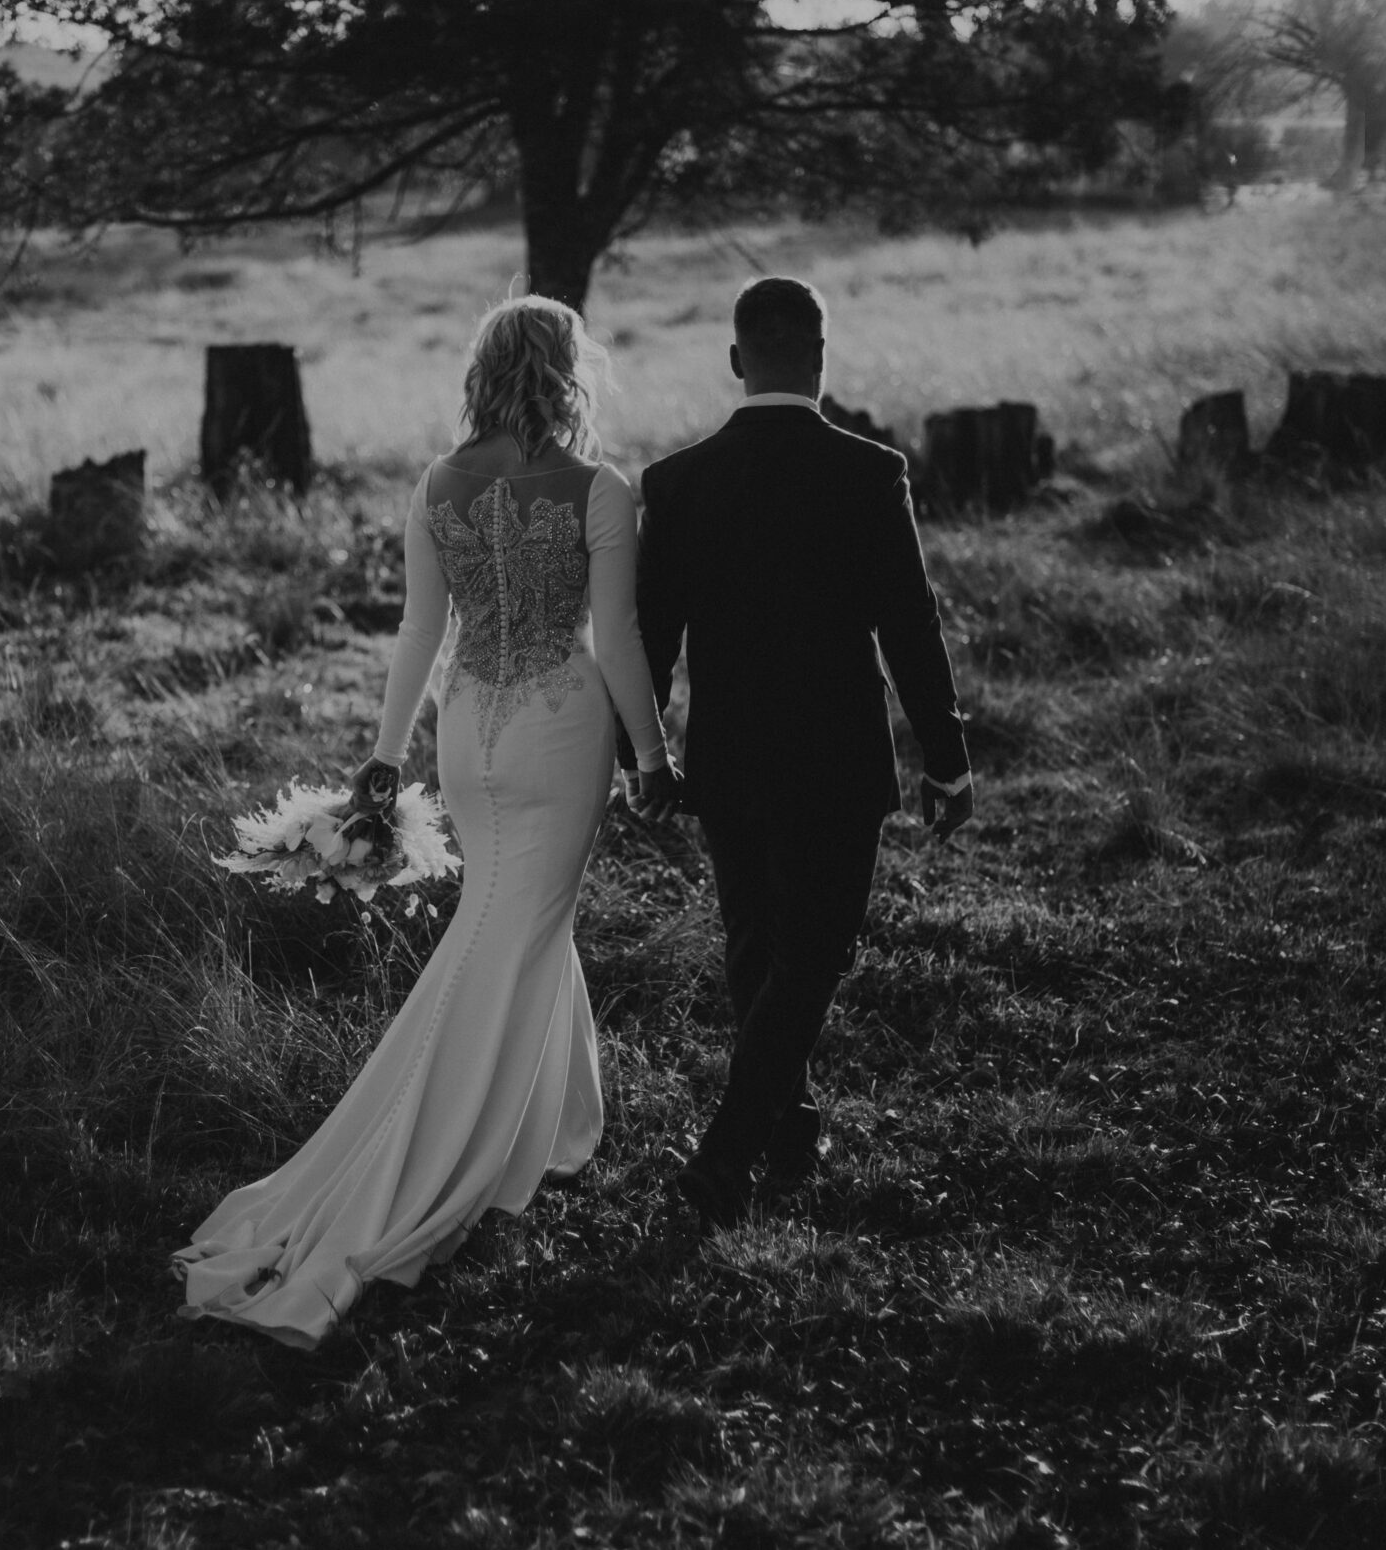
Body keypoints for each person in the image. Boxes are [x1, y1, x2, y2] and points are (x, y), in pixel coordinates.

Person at [175, 294, 679, 1348]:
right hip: (560, 722)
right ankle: (448, 1150)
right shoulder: (598, 489)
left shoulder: (438, 484)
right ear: (566, 372)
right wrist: (651, 751)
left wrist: (387, 749)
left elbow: (418, 629)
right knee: (518, 926)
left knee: (514, 920)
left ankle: (557, 1125)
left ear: (486, 371)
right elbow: (620, 634)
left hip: (468, 727)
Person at [631, 275, 974, 1226]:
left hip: (728, 759)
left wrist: (641, 755)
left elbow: (650, 637)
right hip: (838, 762)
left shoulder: (678, 481)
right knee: (814, 956)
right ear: (821, 359)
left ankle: (788, 1132)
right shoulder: (869, 473)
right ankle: (726, 1159)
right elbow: (910, 623)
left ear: (735, 360)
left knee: (757, 949)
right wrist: (946, 755)